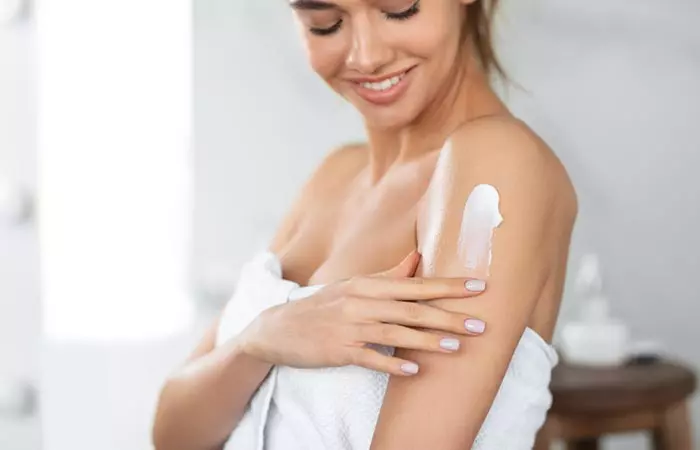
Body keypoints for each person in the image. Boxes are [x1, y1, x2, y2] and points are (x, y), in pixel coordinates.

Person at [153, 0, 577, 448]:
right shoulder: (335, 176)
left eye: (398, 10)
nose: (365, 56)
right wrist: (259, 339)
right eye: (326, 23)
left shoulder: (496, 165)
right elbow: (174, 434)